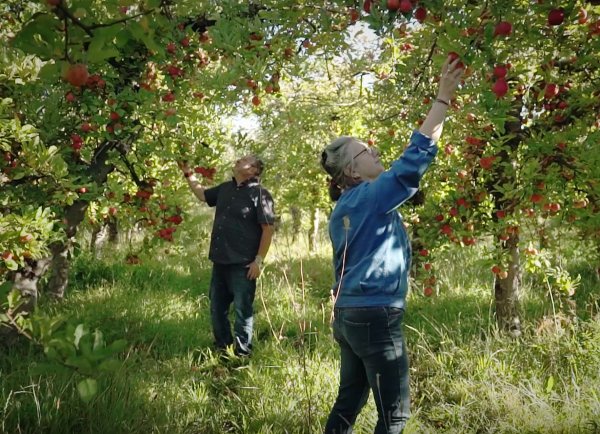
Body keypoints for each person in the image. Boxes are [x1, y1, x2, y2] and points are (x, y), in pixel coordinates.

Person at [320, 56, 463, 433]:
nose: (375, 152)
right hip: (374, 317)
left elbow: (343, 264)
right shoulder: (370, 196)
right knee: (395, 415)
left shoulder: (345, 209)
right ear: (352, 171)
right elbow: (414, 159)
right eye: (366, 151)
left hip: (350, 315)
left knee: (348, 400)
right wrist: (443, 99)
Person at [179, 155, 276, 356]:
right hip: (220, 262)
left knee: (243, 312)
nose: (239, 160)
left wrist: (258, 261)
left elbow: (267, 229)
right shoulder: (225, 188)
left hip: (243, 265)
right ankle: (223, 349)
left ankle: (242, 355)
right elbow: (202, 195)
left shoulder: (260, 194)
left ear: (254, 171)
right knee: (217, 310)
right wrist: (188, 173)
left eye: (246, 160)